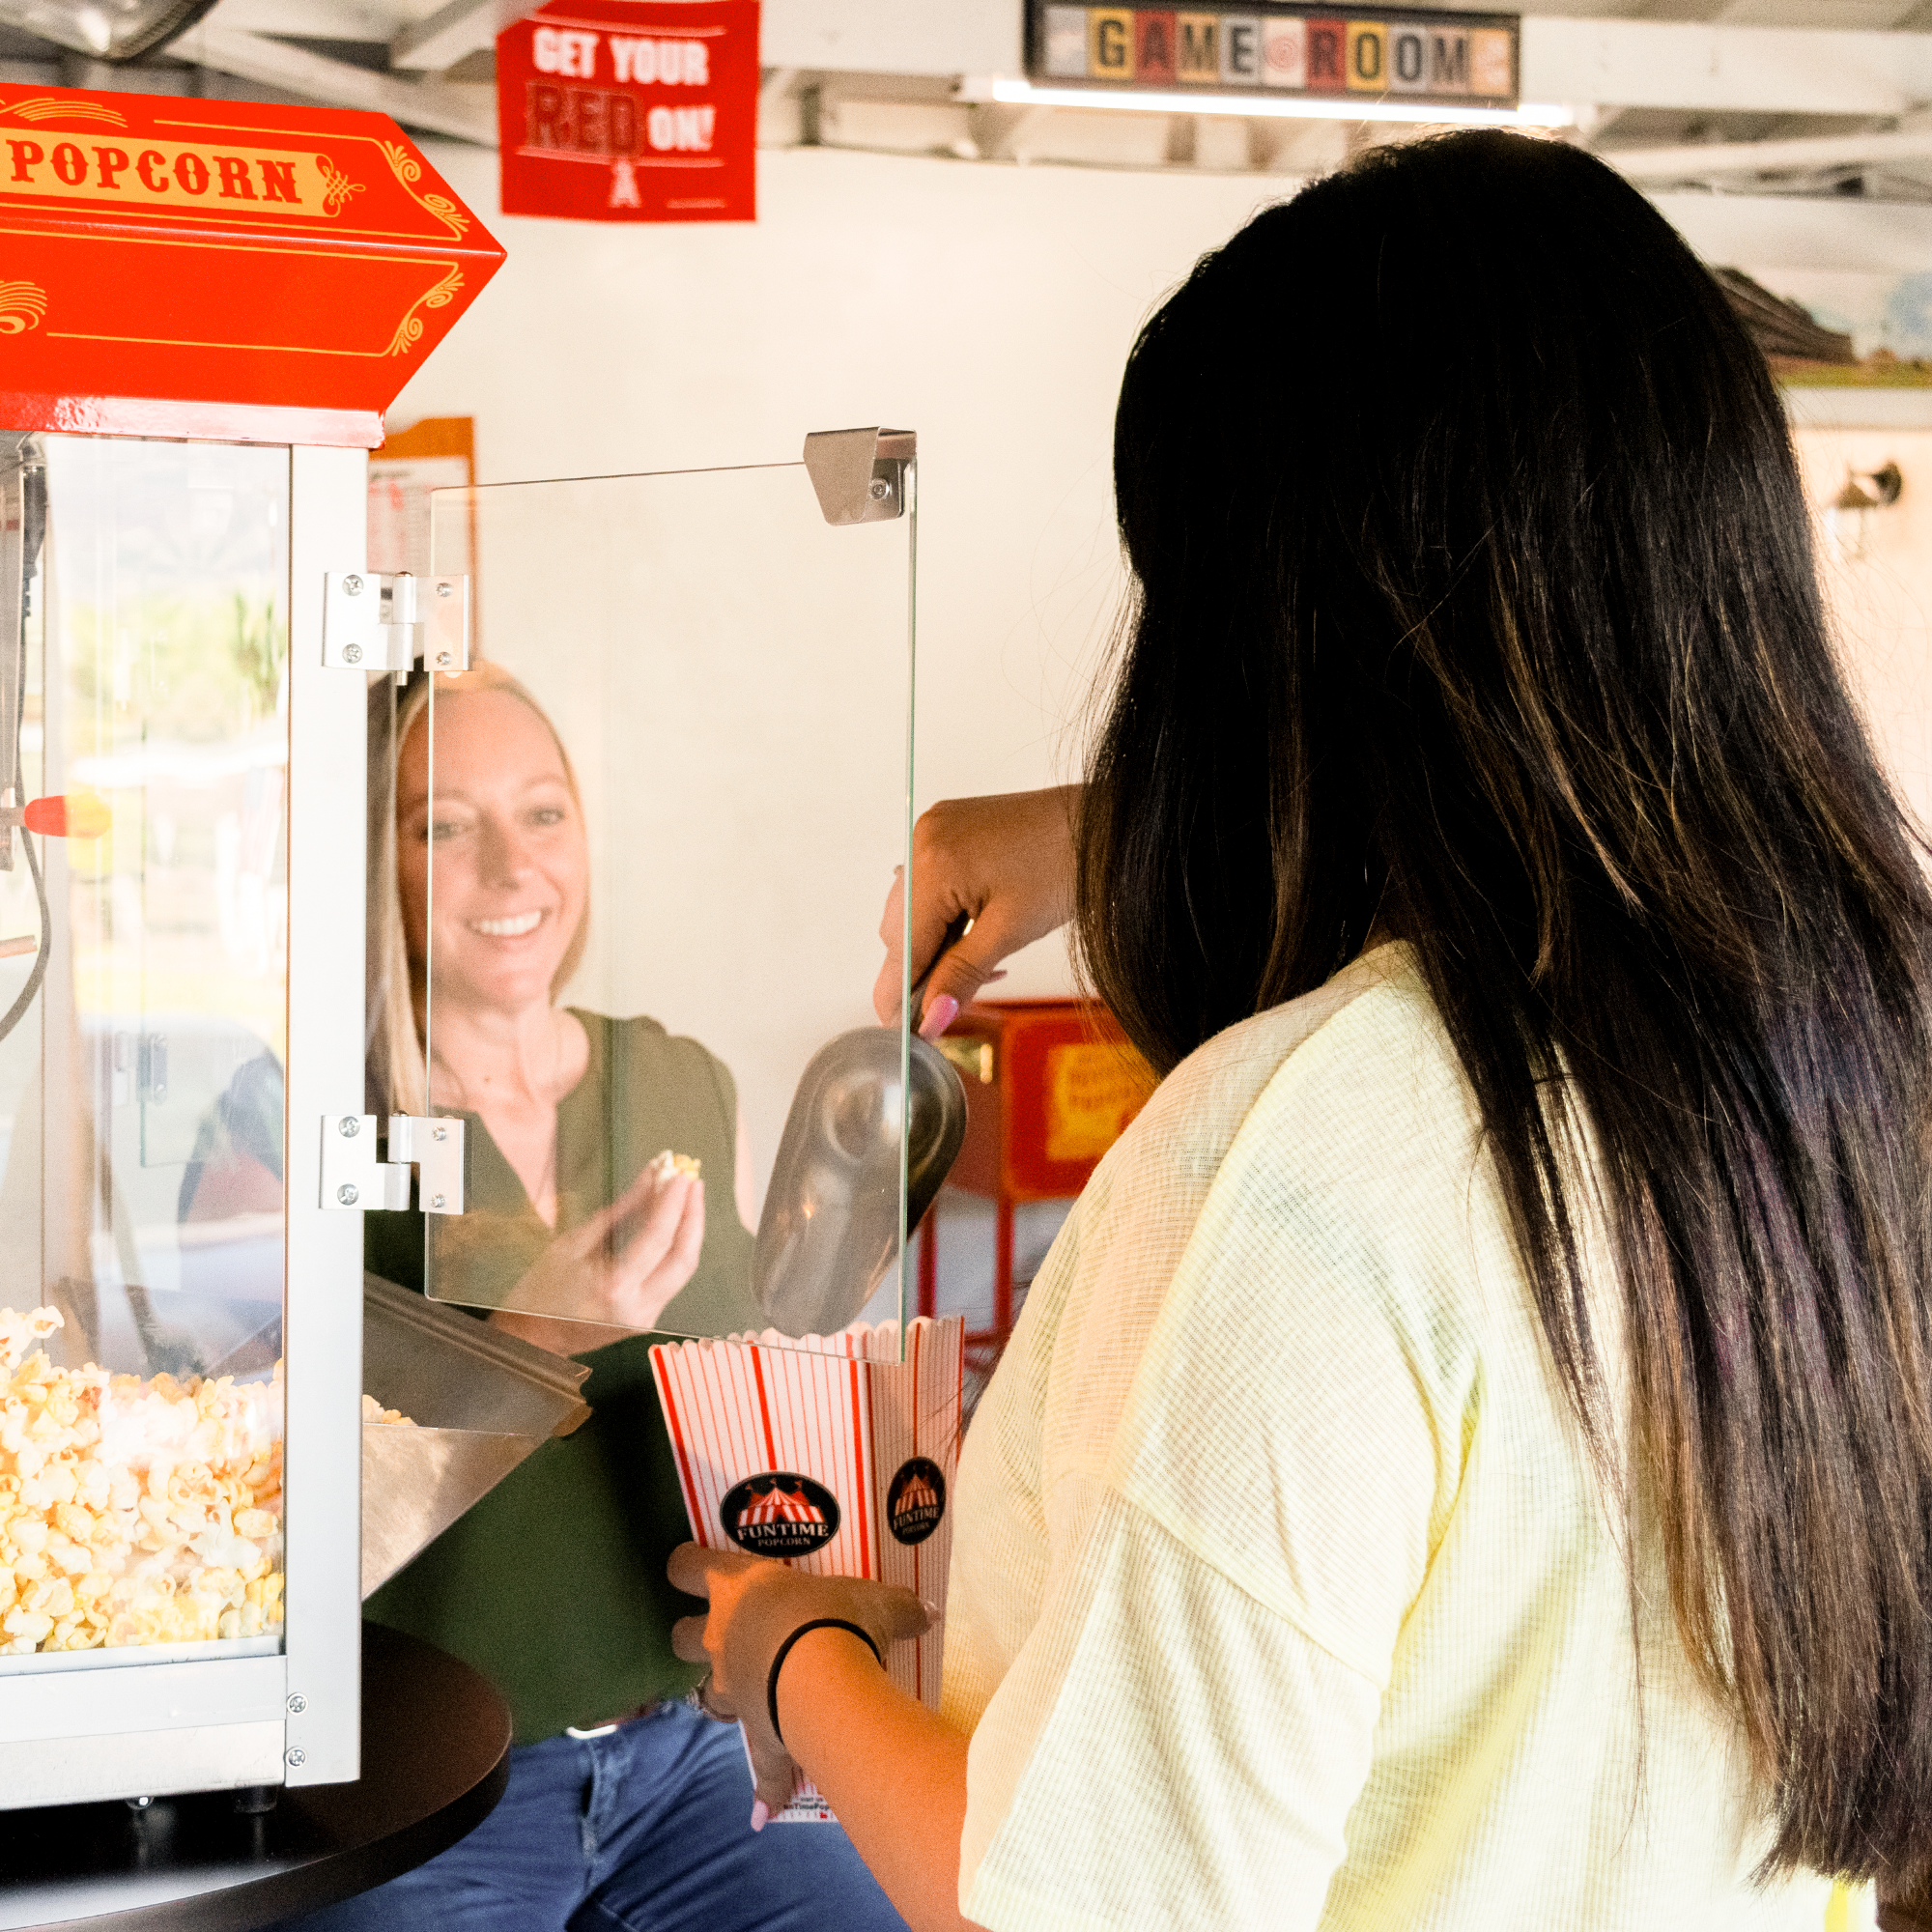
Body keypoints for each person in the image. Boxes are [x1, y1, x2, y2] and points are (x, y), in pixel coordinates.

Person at [669, 132, 1932, 1931]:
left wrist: (788, 1644)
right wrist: (1137, 827)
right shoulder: (1850, 1072)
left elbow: (1087, 1905)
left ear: (1275, 640)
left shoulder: (1319, 1145)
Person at [284, 665, 906, 1931]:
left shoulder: (675, 1079)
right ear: (371, 858)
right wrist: (524, 1340)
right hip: (420, 1783)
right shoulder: (301, 1118)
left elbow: (742, 1398)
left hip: (694, 1757)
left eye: (544, 813)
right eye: (443, 826)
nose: (512, 869)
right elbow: (259, 1523)